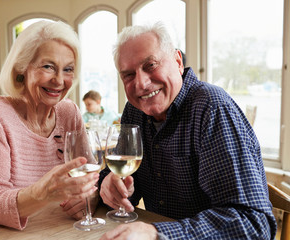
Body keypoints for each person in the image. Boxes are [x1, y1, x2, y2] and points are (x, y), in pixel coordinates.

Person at [99, 22, 276, 239]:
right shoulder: (135, 111)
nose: (141, 84)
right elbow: (121, 178)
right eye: (128, 75)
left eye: (151, 65)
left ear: (178, 62)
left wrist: (157, 234)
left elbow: (253, 225)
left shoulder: (212, 108)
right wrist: (107, 187)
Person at [0, 21, 99, 230]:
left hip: (41, 228)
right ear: (22, 67)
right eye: (48, 66)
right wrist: (40, 194)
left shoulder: (69, 113)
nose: (59, 80)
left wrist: (91, 198)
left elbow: (91, 177)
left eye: (68, 69)